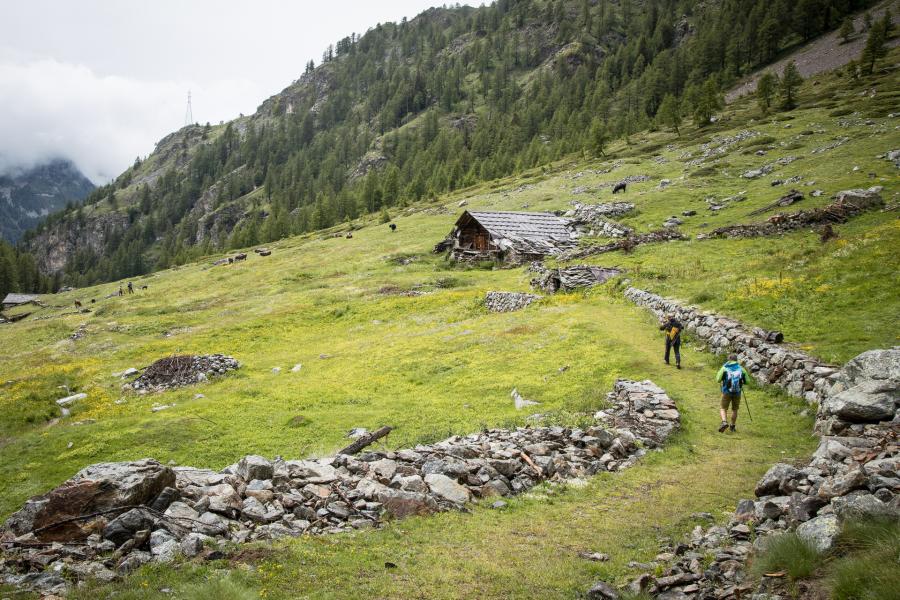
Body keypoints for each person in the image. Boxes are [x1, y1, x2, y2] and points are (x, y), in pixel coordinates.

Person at [716, 354, 749, 432]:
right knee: (735, 409)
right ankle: (732, 426)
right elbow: (748, 382)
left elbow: (718, 379)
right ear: (736, 360)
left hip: (726, 391)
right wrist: (742, 381)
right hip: (737, 392)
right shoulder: (742, 369)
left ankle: (724, 422)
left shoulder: (724, 368)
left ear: (729, 359)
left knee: (723, 408)